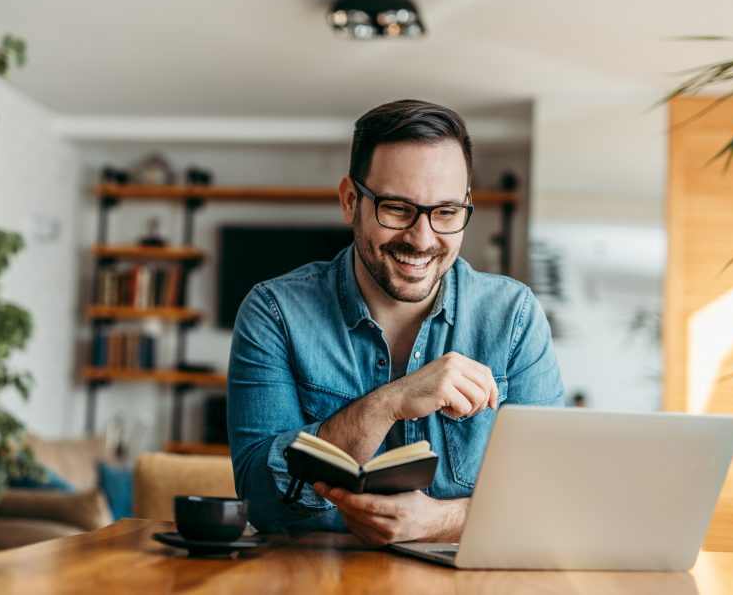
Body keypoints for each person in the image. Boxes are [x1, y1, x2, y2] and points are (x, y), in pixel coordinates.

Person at [227, 99, 564, 545]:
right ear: (350, 201)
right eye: (397, 209)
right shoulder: (274, 312)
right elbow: (260, 503)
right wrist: (390, 403)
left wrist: (439, 522)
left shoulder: (514, 317)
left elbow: (550, 503)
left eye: (445, 212)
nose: (422, 239)